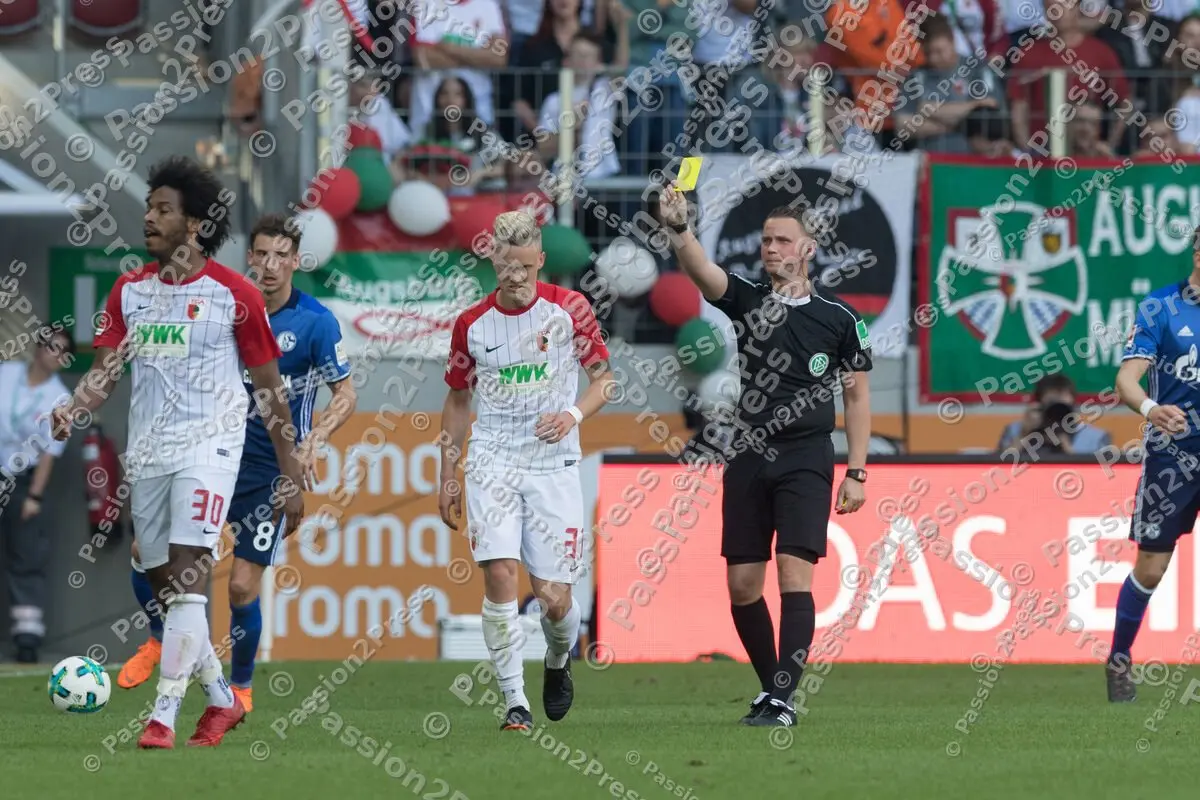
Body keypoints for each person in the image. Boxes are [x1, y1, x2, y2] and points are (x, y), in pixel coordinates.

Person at [51, 157, 305, 749]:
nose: (150, 218)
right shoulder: (130, 290)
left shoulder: (236, 295)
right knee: (167, 582)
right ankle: (221, 701)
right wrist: (73, 407)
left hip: (211, 447)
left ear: (194, 224)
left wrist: (290, 476)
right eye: (149, 207)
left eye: (163, 209)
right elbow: (105, 372)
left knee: (191, 572)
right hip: (151, 453)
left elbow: (270, 392)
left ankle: (163, 716)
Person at [117, 213, 357, 712]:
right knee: (147, 554)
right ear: (250, 256)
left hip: (266, 469)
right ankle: (160, 637)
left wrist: (311, 443)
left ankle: (241, 688)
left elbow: (347, 394)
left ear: (295, 261)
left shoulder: (315, 322)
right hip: (206, 452)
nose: (269, 266)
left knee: (244, 586)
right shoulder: (226, 305)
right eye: (261, 254)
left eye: (280, 256)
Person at [655, 184, 873, 727]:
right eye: (765, 240)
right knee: (742, 586)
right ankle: (774, 689)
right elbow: (702, 270)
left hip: (807, 457)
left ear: (808, 249)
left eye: (782, 240)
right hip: (748, 455)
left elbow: (857, 395)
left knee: (793, 575)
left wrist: (858, 472)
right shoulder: (748, 299)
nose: (770, 248)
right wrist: (680, 228)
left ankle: (781, 699)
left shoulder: (840, 319)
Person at [438, 210, 615, 731]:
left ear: (539, 260)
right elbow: (456, 400)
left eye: (523, 266)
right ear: (492, 259)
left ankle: (559, 662)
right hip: (492, 458)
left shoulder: (569, 310)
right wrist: (448, 472)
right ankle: (514, 702)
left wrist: (572, 415)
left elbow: (605, 381)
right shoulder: (471, 323)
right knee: (498, 572)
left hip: (553, 463)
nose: (513, 276)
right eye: (504, 265)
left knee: (553, 598)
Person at [1107, 228, 1200, 702]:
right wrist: (1151, 410)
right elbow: (1126, 379)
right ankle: (1119, 659)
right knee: (1151, 567)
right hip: (1174, 457)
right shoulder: (1160, 307)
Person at [0, 326, 73, 663]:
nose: (54, 355)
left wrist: (35, 496)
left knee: (25, 556)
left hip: (23, 481)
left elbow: (50, 452)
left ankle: (27, 638)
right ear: (37, 348)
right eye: (50, 347)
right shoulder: (7, 373)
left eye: (61, 350)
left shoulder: (59, 397)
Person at [996, 374, 1112, 455]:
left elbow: (1097, 480)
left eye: (1062, 407)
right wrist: (1023, 434)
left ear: (1073, 404)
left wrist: (1065, 444)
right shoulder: (1014, 430)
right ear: (1039, 404)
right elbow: (998, 468)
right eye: (1052, 404)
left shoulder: (1095, 438)